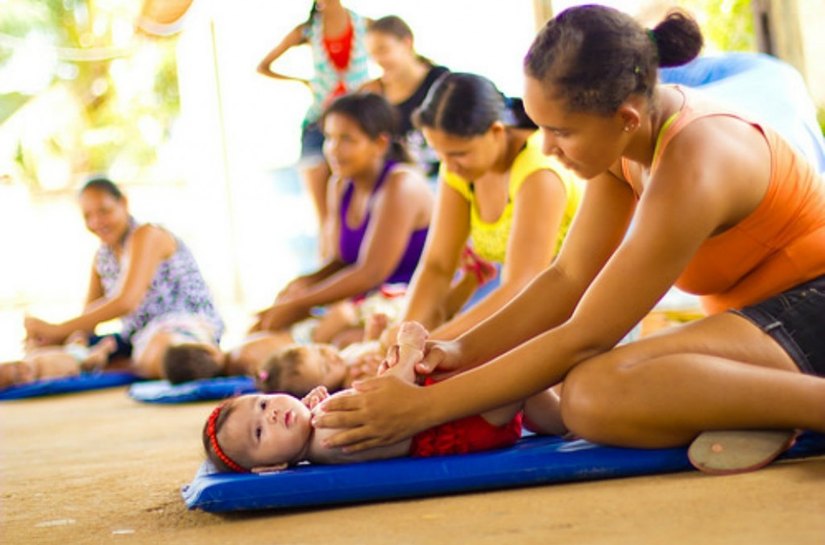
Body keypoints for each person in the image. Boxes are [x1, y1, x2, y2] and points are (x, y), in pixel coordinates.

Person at [313, 6, 825, 476]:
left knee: (592, 392)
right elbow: (567, 277)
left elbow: (587, 334)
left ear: (625, 116)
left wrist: (421, 409)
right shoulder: (624, 142)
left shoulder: (697, 159)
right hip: (760, 322)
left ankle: (808, 408)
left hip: (810, 307)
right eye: (540, 129)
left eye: (560, 132)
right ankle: (763, 404)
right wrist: (457, 348)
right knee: (589, 390)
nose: (547, 149)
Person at [202, 322, 565, 473]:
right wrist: (407, 348)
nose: (269, 416)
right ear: (270, 468)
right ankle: (570, 413)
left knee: (526, 389)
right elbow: (390, 399)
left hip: (455, 417)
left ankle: (564, 422)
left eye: (263, 404)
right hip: (463, 422)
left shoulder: (318, 436)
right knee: (517, 366)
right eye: (259, 434)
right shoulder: (326, 431)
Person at [385, 72, 582, 343]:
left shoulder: (539, 171)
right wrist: (404, 337)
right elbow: (438, 265)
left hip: (577, 314)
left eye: (459, 154)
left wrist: (431, 345)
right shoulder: (457, 169)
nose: (449, 166)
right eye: (439, 153)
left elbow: (521, 287)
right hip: (521, 313)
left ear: (496, 131)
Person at [253, 92, 433, 333]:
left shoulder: (400, 184)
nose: (334, 150)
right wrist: (302, 285)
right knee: (267, 330)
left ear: (379, 143)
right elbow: (341, 262)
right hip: (365, 302)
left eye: (347, 139)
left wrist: (300, 303)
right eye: (329, 137)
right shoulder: (340, 184)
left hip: (408, 304)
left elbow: (372, 272)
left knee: (324, 338)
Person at [24, 177, 225, 381]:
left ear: (124, 203)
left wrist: (56, 328)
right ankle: (114, 363)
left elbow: (126, 302)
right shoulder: (102, 257)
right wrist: (64, 339)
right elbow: (89, 317)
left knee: (164, 351)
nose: (96, 222)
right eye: (88, 216)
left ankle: (125, 365)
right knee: (44, 351)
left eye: (104, 211)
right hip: (137, 338)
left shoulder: (147, 234)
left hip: (183, 327)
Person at [257, 0, 371, 255]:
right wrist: (302, 81)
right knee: (326, 219)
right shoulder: (307, 30)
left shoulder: (364, 26)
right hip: (319, 124)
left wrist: (372, 86)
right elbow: (263, 66)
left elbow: (392, 51)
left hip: (359, 126)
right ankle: (329, 280)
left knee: (359, 211)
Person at [360, 15, 449, 177]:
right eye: (372, 54)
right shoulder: (375, 94)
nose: (378, 61)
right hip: (405, 185)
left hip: (445, 178)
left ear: (407, 43)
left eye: (383, 50)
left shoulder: (442, 81)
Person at [0, 333, 116, 389]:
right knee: (94, 359)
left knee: (78, 337)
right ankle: (104, 349)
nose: (21, 369)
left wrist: (32, 341)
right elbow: (65, 381)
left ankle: (81, 344)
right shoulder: (45, 378)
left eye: (15, 365)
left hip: (68, 350)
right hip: (81, 362)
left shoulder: (29, 357)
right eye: (17, 377)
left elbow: (31, 347)